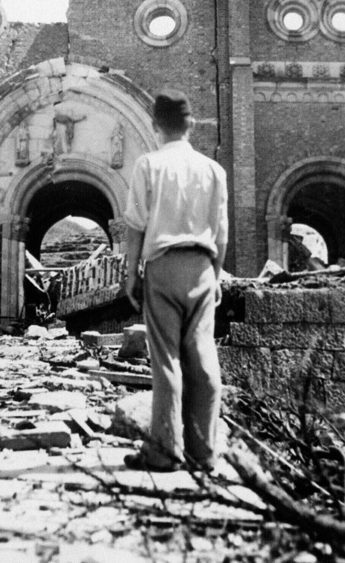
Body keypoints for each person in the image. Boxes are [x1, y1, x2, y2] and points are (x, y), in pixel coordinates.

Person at [121, 89, 229, 472]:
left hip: (163, 267)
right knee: (202, 356)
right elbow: (221, 234)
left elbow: (135, 225)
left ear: (155, 126)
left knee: (166, 359)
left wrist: (130, 274)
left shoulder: (148, 165)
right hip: (201, 266)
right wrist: (214, 278)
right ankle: (205, 453)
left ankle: (165, 451)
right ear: (192, 125)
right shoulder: (214, 170)